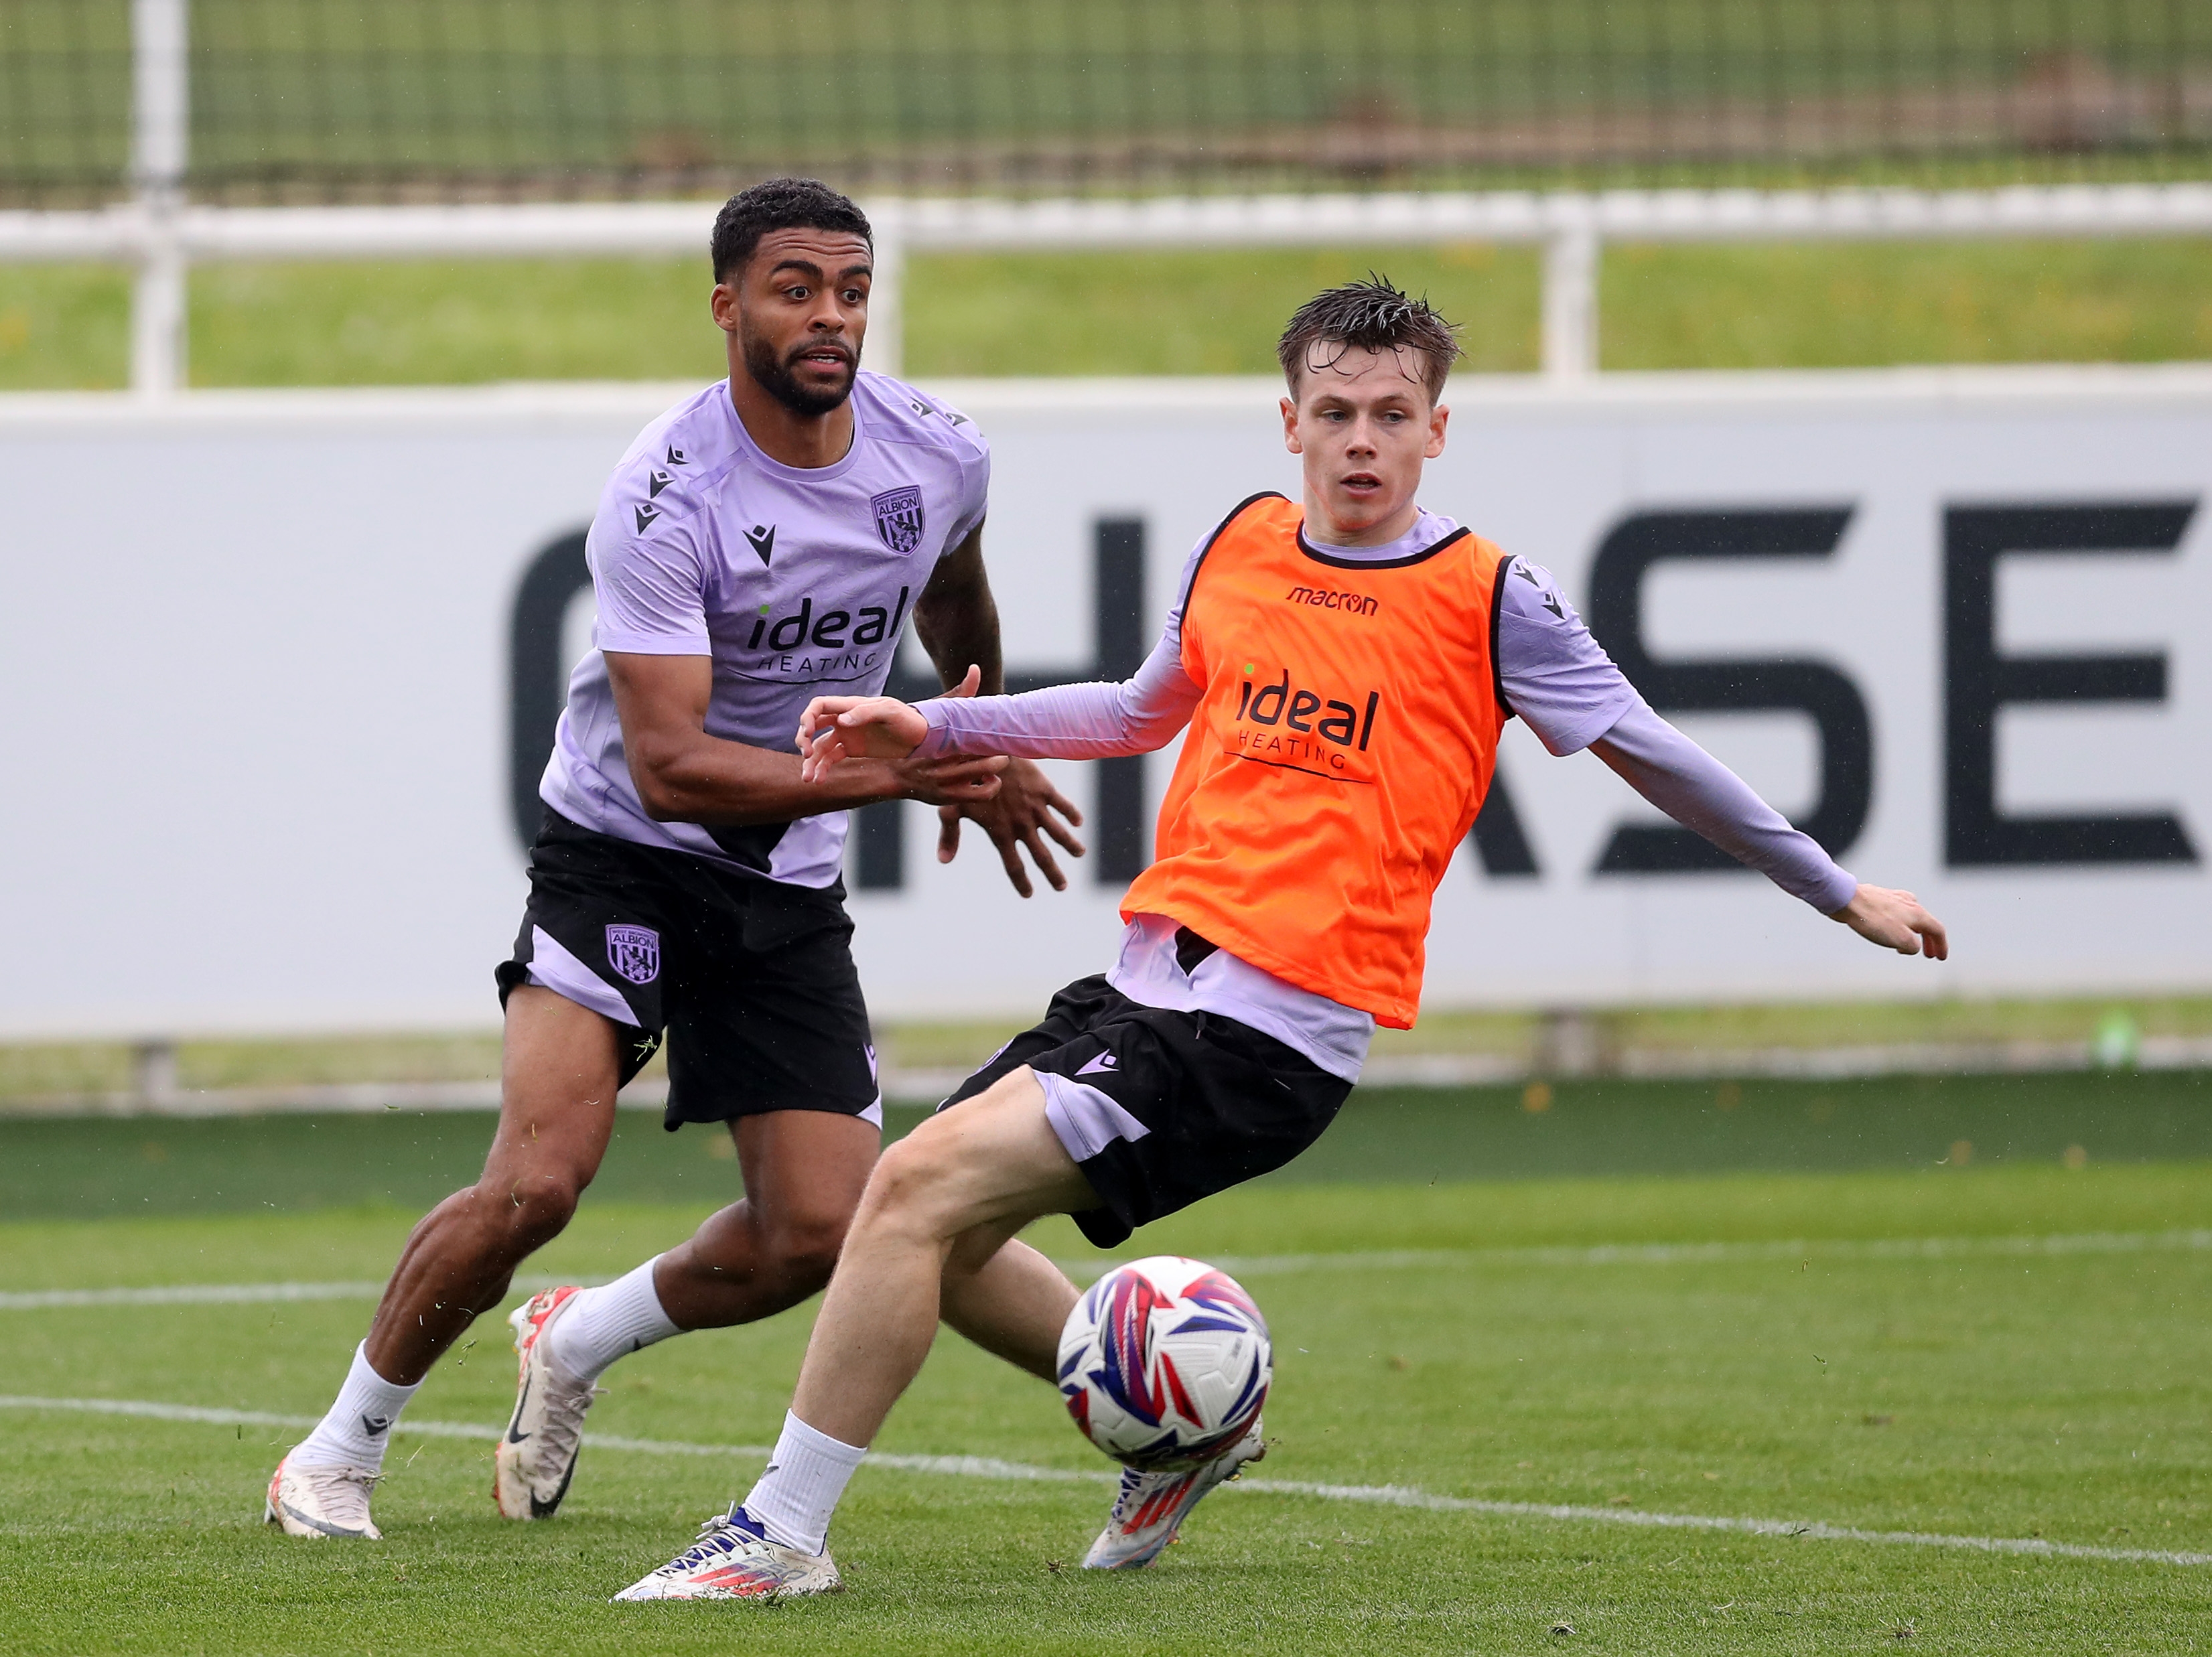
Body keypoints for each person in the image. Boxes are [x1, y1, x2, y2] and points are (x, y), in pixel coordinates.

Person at [614, 275, 1949, 1599]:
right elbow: (1140, 710)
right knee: (927, 1235)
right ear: (1287, 421)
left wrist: (1835, 890)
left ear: (1437, 430)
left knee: (904, 1192)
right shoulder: (1244, 540)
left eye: (1388, 413)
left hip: (1267, 1030)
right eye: (1334, 411)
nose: (1359, 439)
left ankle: (778, 1533)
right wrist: (939, 725)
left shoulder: (1489, 596)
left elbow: (1652, 753)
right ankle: (1189, 1427)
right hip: (1144, 986)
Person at [265, 178, 1087, 1540]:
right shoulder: (665, 491)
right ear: (727, 307)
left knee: (822, 1230)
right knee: (538, 1180)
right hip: (625, 855)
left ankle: (578, 1336)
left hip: (786, 877)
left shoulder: (937, 455)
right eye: (793, 289)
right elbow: (674, 767)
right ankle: (336, 1448)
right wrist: (911, 766)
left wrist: (970, 727)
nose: (828, 317)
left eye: (849, 289)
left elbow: (952, 596)